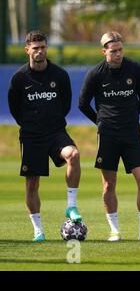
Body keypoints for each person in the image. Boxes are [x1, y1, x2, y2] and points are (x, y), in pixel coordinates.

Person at [79, 31, 140, 242]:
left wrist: (130, 116)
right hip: (108, 135)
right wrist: (100, 121)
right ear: (104, 51)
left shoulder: (136, 69)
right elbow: (82, 104)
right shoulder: (95, 74)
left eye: (121, 50)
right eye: (113, 51)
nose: (118, 54)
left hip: (132, 133)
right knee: (108, 185)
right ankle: (114, 230)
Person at [8, 30, 82, 242]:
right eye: (35, 48)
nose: (39, 51)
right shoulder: (19, 78)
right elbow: (15, 109)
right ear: (27, 50)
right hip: (31, 137)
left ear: (46, 48)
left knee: (74, 155)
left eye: (43, 47)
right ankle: (38, 230)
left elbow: (66, 104)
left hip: (56, 132)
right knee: (32, 184)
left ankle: (71, 206)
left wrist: (51, 122)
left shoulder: (59, 75)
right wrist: (31, 124)